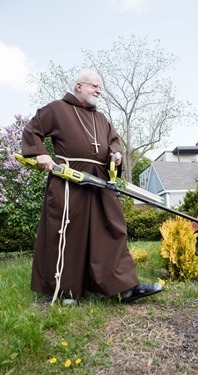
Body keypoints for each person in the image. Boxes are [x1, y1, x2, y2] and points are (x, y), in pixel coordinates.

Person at [21, 68, 164, 304]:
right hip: (70, 180)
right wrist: (40, 153)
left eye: (100, 87)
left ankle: (126, 286)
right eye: (94, 86)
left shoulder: (101, 118)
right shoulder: (57, 109)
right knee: (68, 232)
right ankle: (66, 291)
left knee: (113, 228)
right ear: (79, 87)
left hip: (99, 181)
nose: (99, 90)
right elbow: (32, 130)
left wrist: (116, 155)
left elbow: (114, 143)